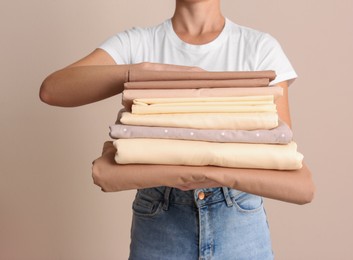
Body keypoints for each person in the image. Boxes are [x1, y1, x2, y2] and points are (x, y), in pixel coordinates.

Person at [40, 0, 315, 259]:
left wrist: (205, 170)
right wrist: (143, 71)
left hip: (238, 219)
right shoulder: (139, 42)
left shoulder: (258, 46)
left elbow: (277, 143)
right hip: (160, 216)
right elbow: (52, 90)